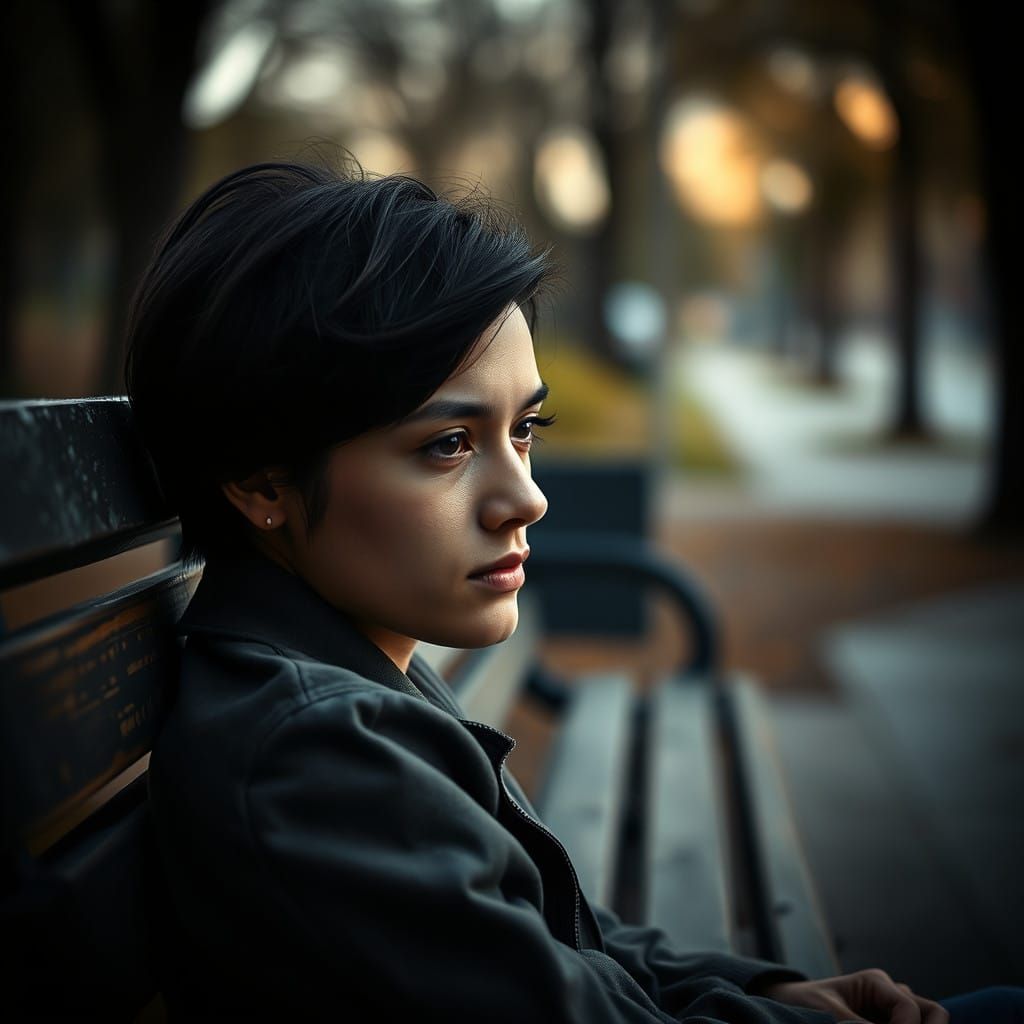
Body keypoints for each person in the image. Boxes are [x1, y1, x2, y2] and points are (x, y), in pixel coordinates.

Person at [125, 159, 1014, 1022]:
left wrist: (761, 991)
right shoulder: (313, 756)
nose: (529, 498)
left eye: (526, 429)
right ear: (263, 482)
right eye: (449, 445)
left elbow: (549, 940)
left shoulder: (337, 673)